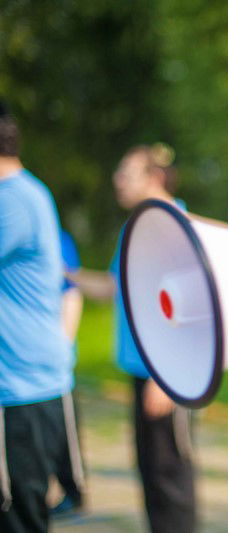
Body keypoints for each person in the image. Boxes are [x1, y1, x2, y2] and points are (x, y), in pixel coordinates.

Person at [70, 144, 196, 532]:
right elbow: (113, 286)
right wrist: (60, 273)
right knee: (150, 473)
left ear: (155, 177)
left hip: (166, 374)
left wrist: (167, 378)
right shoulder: (137, 226)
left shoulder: (174, 224)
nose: (117, 179)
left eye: (127, 172)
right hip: (142, 368)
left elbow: (191, 304)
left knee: (170, 476)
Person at [0, 102, 73, 532]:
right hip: (20, 388)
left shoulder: (16, 202)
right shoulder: (22, 194)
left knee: (18, 520)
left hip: (20, 391)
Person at [50, 229, 87, 517]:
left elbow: (71, 291)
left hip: (55, 360)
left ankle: (75, 488)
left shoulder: (58, 238)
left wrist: (65, 344)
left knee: (65, 428)